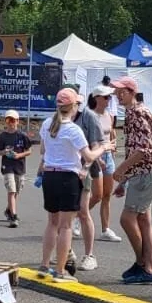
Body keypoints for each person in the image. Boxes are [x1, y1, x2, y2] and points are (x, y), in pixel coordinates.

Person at [37, 89, 113, 281]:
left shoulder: (47, 124)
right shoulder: (73, 129)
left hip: (49, 175)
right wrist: (104, 147)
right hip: (68, 177)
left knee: (52, 223)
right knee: (66, 226)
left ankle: (44, 265)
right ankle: (60, 271)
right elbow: (89, 155)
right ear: (73, 106)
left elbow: (43, 149)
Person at [111, 76, 152, 285]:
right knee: (144, 220)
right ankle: (148, 266)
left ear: (131, 92)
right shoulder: (137, 111)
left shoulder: (137, 113)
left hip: (144, 173)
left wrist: (121, 170)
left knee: (127, 219)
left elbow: (144, 148)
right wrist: (125, 180)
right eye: (116, 92)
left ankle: (144, 264)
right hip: (144, 173)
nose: (118, 95)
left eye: (121, 92)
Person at [73, 90, 108, 271]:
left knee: (83, 211)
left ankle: (89, 255)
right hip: (64, 170)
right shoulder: (57, 119)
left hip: (83, 169)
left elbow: (96, 145)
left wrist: (88, 166)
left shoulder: (89, 117)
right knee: (61, 213)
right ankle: (67, 251)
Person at [88, 85, 122, 242]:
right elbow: (89, 140)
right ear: (97, 98)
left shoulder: (109, 115)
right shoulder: (90, 116)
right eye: (106, 97)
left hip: (108, 156)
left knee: (107, 194)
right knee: (97, 195)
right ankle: (77, 217)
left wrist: (113, 145)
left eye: (110, 97)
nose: (109, 100)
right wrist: (97, 158)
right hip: (96, 157)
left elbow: (111, 133)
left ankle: (105, 229)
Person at [0, 110, 33, 228]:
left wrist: (19, 155)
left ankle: (9, 210)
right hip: (7, 166)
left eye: (13, 120)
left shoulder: (22, 136)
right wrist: (5, 152)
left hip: (19, 166)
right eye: (8, 120)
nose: (10, 123)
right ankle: (13, 216)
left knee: (17, 190)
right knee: (11, 190)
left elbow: (29, 151)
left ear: (17, 121)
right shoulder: (2, 136)